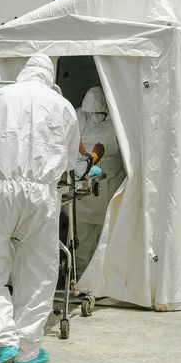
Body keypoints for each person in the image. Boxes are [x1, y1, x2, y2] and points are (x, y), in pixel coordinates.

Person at [0, 54, 79, 363]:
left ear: (23, 73)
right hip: (43, 194)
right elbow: (69, 161)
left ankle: (1, 340)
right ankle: (27, 348)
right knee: (38, 271)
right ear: (49, 77)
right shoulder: (63, 107)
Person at [72, 86, 126, 277]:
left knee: (107, 237)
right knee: (83, 238)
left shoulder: (118, 121)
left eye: (99, 113)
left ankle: (105, 280)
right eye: (91, 113)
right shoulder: (77, 117)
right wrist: (90, 156)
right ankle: (81, 277)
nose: (95, 116)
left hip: (110, 185)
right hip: (83, 188)